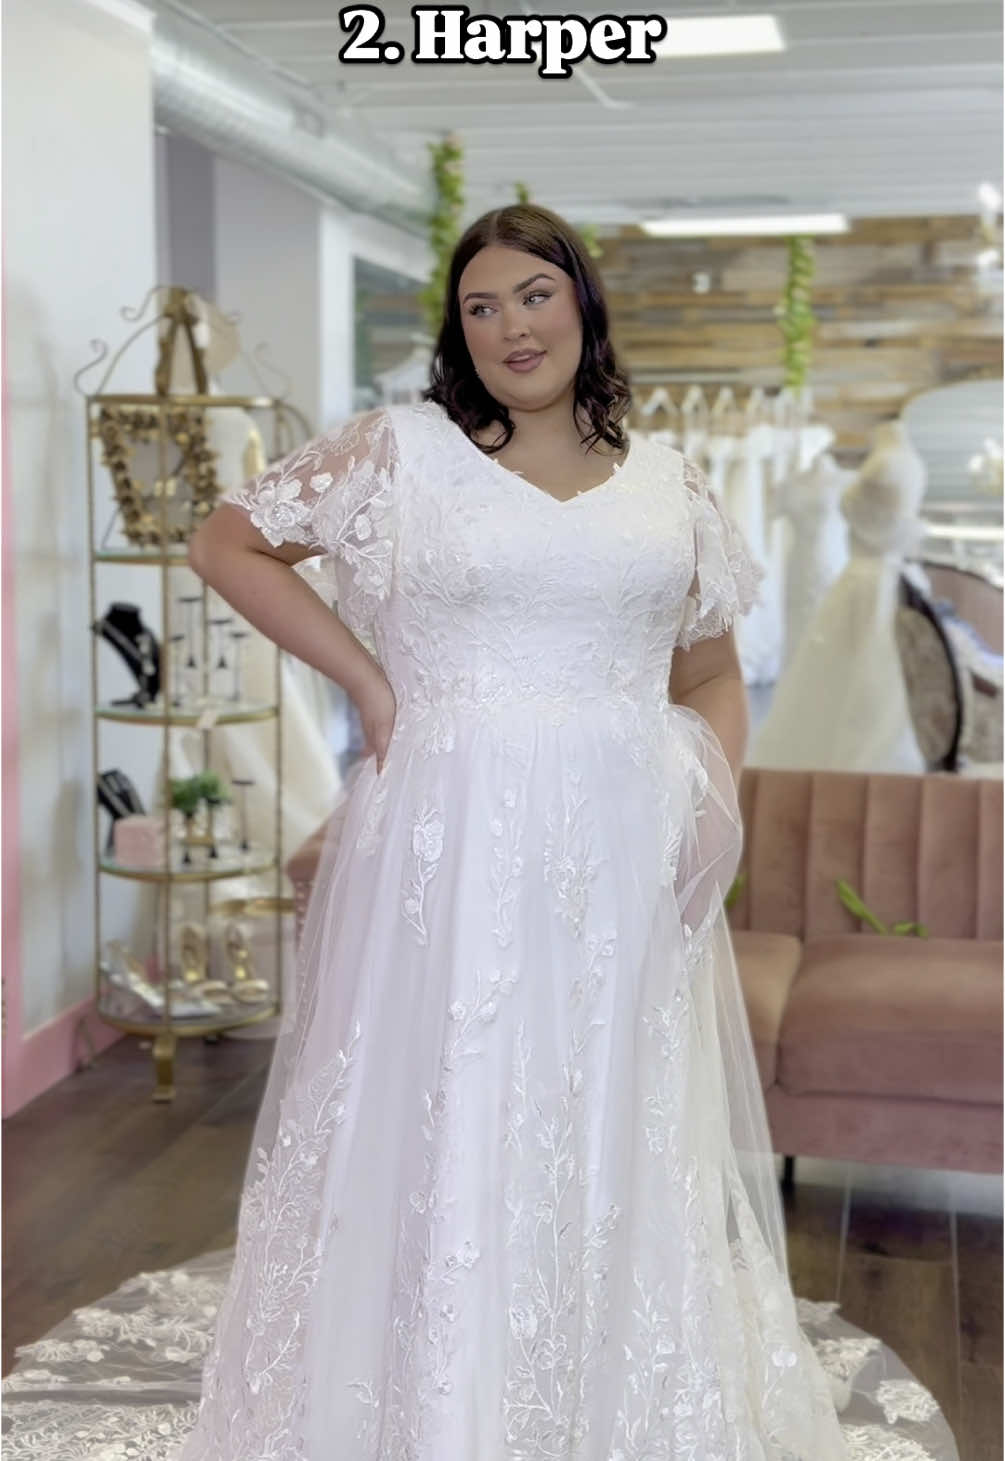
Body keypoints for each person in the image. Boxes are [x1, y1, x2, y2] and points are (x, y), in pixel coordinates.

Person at [1, 206, 959, 1460]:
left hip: (621, 835)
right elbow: (227, 541)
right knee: (449, 1097)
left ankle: (603, 1393)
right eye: (481, 306)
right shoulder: (402, 454)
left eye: (535, 295)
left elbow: (713, 674)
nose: (512, 324)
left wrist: (706, 796)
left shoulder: (672, 483)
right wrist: (365, 678)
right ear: (458, 334)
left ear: (583, 305)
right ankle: (434, 1399)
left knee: (606, 1106)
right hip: (448, 825)